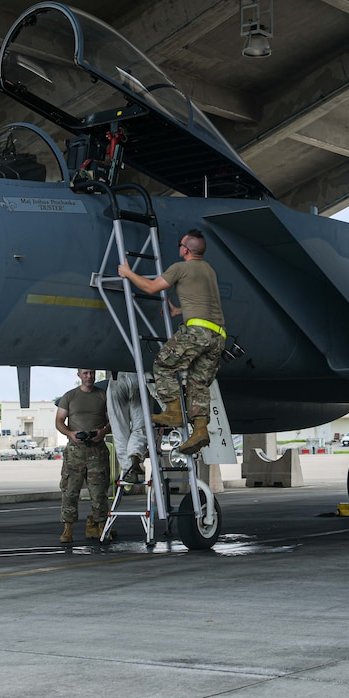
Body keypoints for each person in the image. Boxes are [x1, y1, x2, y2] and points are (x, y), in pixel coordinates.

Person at [118, 229, 225, 455]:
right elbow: (202, 302)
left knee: (163, 365)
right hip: (217, 335)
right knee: (198, 384)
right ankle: (200, 430)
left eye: (180, 244)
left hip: (197, 333)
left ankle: (174, 411)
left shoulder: (181, 267)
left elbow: (150, 287)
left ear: (185, 249)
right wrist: (177, 311)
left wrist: (127, 273)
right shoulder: (209, 270)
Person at [55, 368, 111, 542]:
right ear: (79, 375)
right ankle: (68, 529)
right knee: (70, 490)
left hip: (97, 449)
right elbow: (59, 421)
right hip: (75, 451)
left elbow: (112, 419)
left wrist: (103, 432)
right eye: (85, 373)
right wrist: (71, 434)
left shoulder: (103, 395)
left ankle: (102, 527)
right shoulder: (70, 396)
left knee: (99, 491)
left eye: (92, 373)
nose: (89, 376)